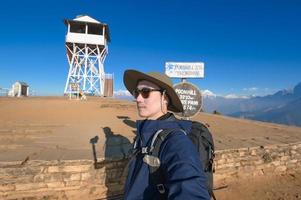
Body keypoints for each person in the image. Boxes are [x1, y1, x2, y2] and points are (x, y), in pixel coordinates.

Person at [123, 69, 210, 200]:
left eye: (146, 92)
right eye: (137, 92)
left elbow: (190, 187)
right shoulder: (146, 133)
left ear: (165, 98)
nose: (138, 98)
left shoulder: (176, 141)